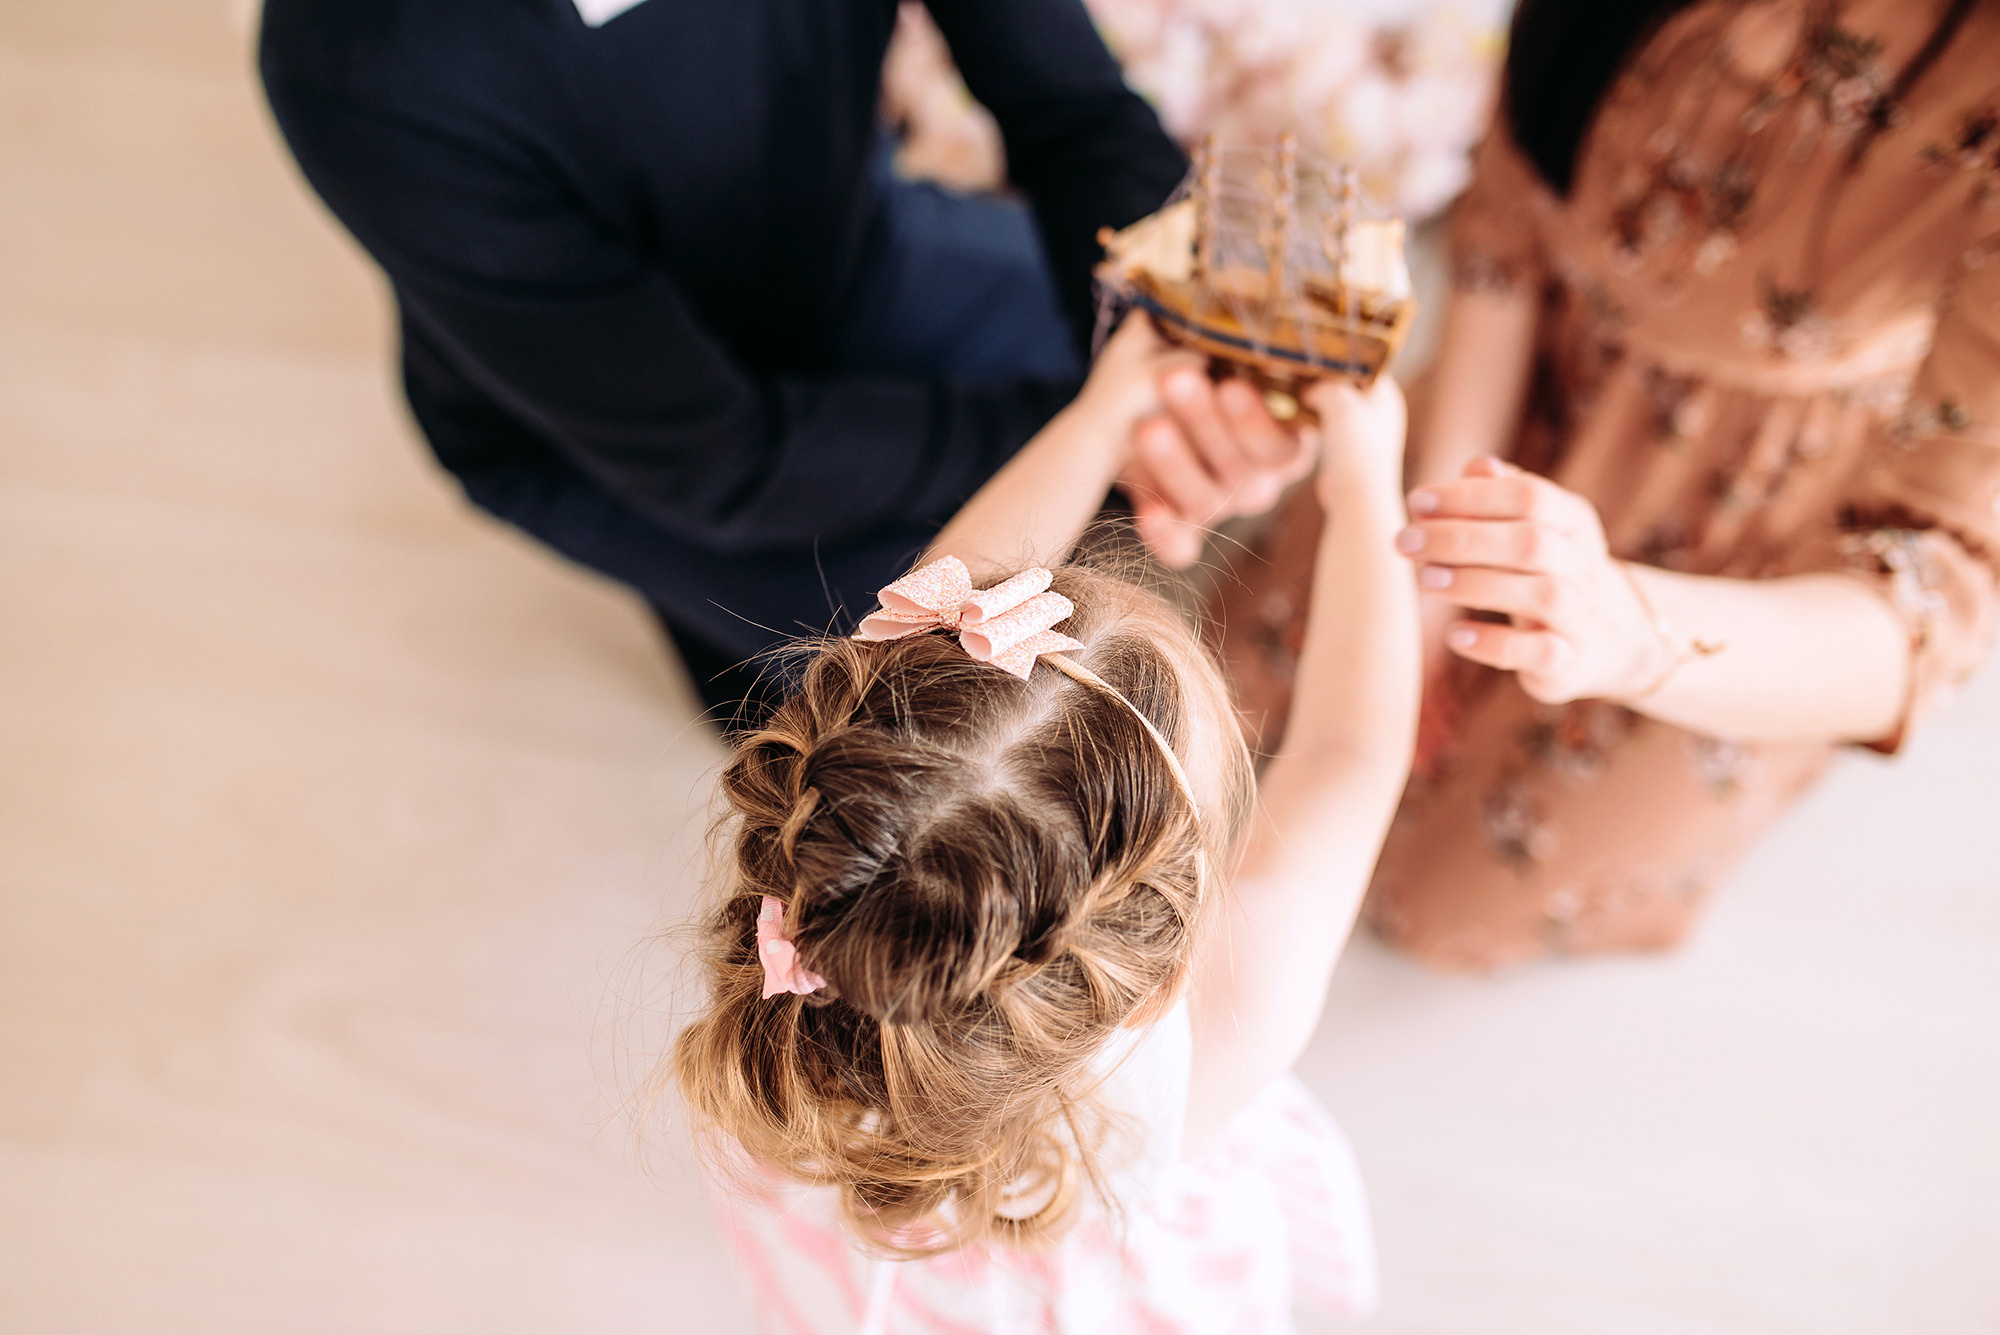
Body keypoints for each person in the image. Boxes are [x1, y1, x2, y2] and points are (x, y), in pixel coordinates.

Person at [665, 314, 1416, 1332]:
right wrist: (1366, 486)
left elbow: (940, 604)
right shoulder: (1219, 1037)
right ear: (1159, 980)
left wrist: (1104, 413)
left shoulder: (823, 899)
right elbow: (1350, 752)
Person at [1215, 0, 2000, 971]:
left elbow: (1925, 604)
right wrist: (1434, 561)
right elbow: (1505, 232)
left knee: (1442, 898)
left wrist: (1629, 631)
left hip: (1742, 543)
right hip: (1531, 389)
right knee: (1238, 699)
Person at [258, 0, 1306, 722]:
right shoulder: (360, 65)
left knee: (1101, 477)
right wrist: (1103, 432)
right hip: (625, 441)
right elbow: (724, 462)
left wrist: (1184, 357)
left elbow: (1070, 107)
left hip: (846, 252)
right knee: (919, 698)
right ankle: (729, 642)